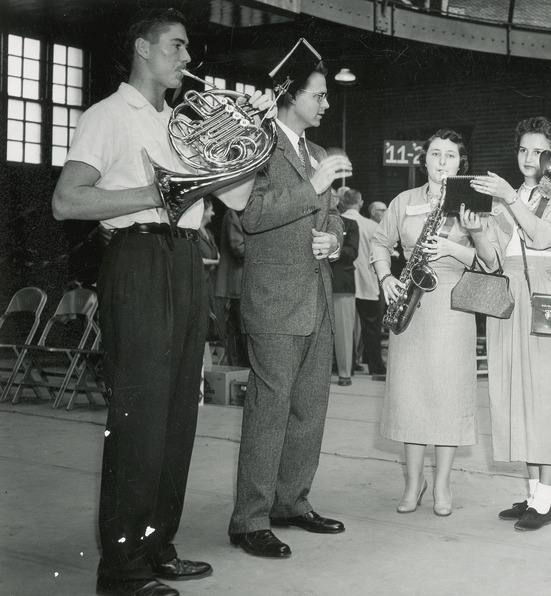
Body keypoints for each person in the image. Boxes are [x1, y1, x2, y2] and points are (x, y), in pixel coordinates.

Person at [51, 8, 273, 596]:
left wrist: (254, 134)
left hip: (186, 260)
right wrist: (154, 191)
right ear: (144, 50)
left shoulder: (182, 124)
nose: (186, 58)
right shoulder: (108, 116)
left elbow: (243, 199)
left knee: (178, 416)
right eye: (176, 46)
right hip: (139, 256)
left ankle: (156, 547)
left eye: (187, 48)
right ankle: (120, 570)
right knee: (140, 418)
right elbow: (67, 201)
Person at [228, 57, 353, 558]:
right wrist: (315, 185)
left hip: (317, 298)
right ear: (289, 96)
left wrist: (335, 240)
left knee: (309, 411)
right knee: (269, 411)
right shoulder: (257, 143)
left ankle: (291, 502)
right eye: (318, 95)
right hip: (275, 302)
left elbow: (336, 217)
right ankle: (249, 519)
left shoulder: (317, 150)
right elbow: (250, 216)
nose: (326, 104)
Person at [469, 116, 551, 531]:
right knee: (515, 390)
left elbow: (541, 236)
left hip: (544, 292)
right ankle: (533, 494)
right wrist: (476, 230)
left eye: (538, 151)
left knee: (545, 395)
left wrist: (507, 200)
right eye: (523, 150)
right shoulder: (507, 198)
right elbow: (493, 259)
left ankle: (547, 499)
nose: (529, 158)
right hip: (509, 293)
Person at [370, 128, 483, 517]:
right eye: (435, 154)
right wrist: (386, 276)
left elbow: (487, 261)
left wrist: (453, 247)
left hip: (453, 307)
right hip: (410, 305)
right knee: (411, 396)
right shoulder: (404, 201)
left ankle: (442, 485)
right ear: (425, 160)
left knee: (448, 396)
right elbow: (379, 242)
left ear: (460, 162)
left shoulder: (471, 203)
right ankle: (413, 483)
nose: (441, 162)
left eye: (450, 155)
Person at [340, 188, 387, 381]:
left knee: (345, 327)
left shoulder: (337, 221)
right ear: (360, 203)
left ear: (343, 202)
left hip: (344, 282)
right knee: (371, 327)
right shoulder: (370, 225)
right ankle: (375, 366)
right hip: (368, 282)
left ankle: (347, 366)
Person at [331, 193, 360, 386]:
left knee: (343, 332)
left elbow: (352, 252)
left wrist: (332, 248)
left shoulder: (350, 225)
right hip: (317, 283)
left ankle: (344, 373)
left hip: (342, 286)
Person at [215, 208, 248, 367]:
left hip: (244, 286)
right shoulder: (234, 212)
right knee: (239, 337)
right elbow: (238, 247)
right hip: (237, 287)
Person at [198, 198, 221, 341]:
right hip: (201, 282)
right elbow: (196, 258)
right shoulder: (194, 233)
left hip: (211, 282)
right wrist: (215, 261)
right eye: (210, 209)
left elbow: (217, 253)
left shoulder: (209, 233)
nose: (213, 213)